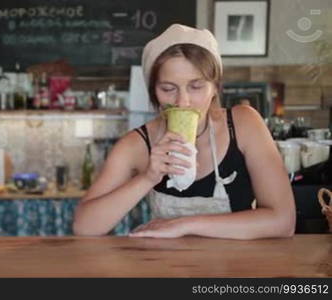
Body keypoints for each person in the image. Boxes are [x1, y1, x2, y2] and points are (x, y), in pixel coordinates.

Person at [73, 24, 296, 239]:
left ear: (215, 88)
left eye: (196, 86)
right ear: (153, 92)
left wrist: (183, 225)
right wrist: (148, 177)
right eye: (168, 89)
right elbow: (85, 226)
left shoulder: (244, 124)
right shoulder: (136, 145)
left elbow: (283, 222)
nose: (183, 101)